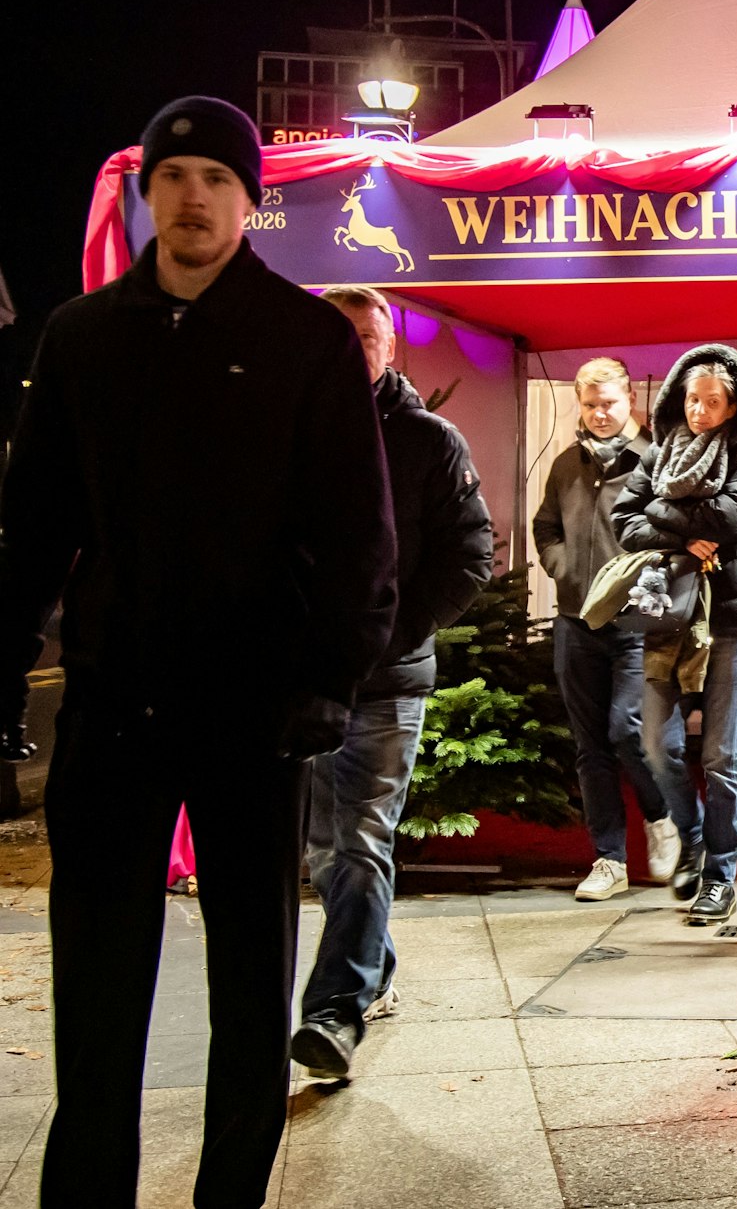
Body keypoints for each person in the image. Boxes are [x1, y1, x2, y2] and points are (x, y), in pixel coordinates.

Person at [0, 97, 396, 1205]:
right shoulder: (83, 339)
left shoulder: (303, 338)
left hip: (253, 708)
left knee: (247, 973)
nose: (192, 198)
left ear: (248, 200)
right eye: (173, 177)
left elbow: (359, 531)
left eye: (216, 179)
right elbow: (33, 526)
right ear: (146, 194)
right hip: (115, 702)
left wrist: (329, 677)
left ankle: (231, 1188)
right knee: (97, 971)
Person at [292, 286, 493, 1079]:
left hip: (386, 680)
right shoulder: (289, 432)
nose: (356, 350)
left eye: (368, 337)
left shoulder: (427, 440)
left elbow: (471, 554)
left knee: (363, 837)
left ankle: (333, 1012)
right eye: (340, 337)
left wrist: (391, 630)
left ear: (389, 348)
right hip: (304, 682)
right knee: (319, 852)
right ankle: (371, 959)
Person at [613, 345, 737, 924]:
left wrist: (664, 512)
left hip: (731, 620)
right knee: (656, 745)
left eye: (713, 402)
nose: (701, 411)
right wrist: (680, 537)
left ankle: (720, 877)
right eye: (692, 400)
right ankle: (695, 834)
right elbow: (623, 522)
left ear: (734, 407)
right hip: (667, 618)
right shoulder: (657, 453)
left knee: (722, 755)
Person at [534, 358, 682, 902]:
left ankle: (662, 816)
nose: (600, 414)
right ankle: (609, 859)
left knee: (627, 730)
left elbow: (676, 533)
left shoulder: (655, 462)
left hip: (635, 623)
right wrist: (562, 566)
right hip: (575, 621)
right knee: (590, 745)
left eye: (610, 404)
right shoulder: (566, 465)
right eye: (591, 405)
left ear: (630, 403)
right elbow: (544, 524)